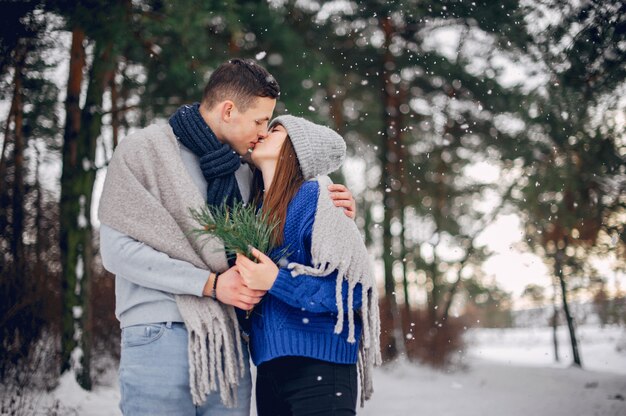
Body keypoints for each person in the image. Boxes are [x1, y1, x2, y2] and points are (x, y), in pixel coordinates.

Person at [97, 59, 357, 415]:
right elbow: (117, 251)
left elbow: (285, 227)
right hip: (162, 328)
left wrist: (333, 208)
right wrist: (209, 284)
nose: (263, 131)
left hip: (230, 342)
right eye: (260, 121)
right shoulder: (145, 151)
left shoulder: (246, 172)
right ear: (229, 110)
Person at [235, 115, 382, 416]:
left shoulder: (317, 196)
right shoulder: (254, 209)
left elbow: (353, 289)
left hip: (320, 365)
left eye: (275, 130)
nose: (263, 133)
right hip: (269, 368)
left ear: (296, 147)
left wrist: (277, 280)